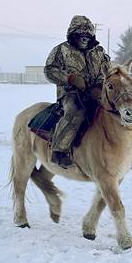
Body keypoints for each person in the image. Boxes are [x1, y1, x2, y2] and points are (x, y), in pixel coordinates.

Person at [44, 15, 111, 168]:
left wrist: (99, 86)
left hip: (95, 93)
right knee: (76, 111)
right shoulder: (61, 50)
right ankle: (59, 151)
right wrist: (70, 79)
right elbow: (49, 70)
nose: (84, 38)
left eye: (87, 34)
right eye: (80, 34)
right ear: (72, 34)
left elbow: (107, 72)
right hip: (70, 94)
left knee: (110, 112)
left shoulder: (99, 52)